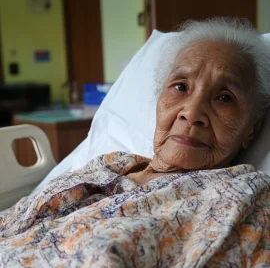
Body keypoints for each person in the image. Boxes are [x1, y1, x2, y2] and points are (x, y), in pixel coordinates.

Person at [1, 18, 270, 267]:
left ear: (251, 129)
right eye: (180, 87)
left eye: (224, 97)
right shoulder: (110, 164)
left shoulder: (244, 198)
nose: (192, 112)